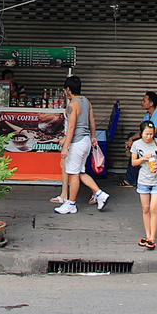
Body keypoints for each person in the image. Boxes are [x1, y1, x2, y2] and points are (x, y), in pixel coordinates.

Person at [53, 75, 110, 215]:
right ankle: (100, 194)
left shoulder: (72, 106)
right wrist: (93, 137)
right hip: (85, 141)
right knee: (80, 172)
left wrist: (65, 147)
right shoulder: (86, 101)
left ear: (68, 90)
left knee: (73, 174)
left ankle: (71, 203)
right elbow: (92, 121)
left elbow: (71, 128)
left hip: (76, 143)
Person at [119, 91, 157, 187]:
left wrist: (133, 141)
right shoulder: (147, 115)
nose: (142, 102)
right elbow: (143, 131)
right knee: (132, 138)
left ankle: (131, 179)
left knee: (136, 148)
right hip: (150, 138)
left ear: (151, 104)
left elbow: (151, 134)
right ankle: (131, 153)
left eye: (144, 100)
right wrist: (131, 138)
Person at [130, 119, 157, 250]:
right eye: (146, 134)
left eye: (151, 134)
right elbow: (133, 162)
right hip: (143, 180)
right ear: (141, 133)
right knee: (145, 209)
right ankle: (147, 235)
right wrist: (143, 159)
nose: (149, 136)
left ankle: (152, 238)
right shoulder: (136, 145)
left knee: (153, 208)